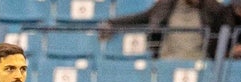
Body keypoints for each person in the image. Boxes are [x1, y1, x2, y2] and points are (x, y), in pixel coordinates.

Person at [97, 0, 227, 59]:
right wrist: (111, 23)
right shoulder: (165, 6)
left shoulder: (212, 8)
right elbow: (140, 18)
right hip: (168, 61)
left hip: (199, 62)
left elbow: (231, 20)